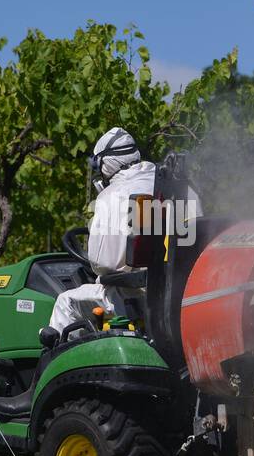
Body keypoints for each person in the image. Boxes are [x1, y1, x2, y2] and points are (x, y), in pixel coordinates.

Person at [49, 127, 202, 335]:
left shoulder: (112, 196)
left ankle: (59, 365)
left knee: (65, 302)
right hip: (182, 290)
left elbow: (103, 264)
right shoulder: (184, 189)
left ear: (105, 163)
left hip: (137, 294)